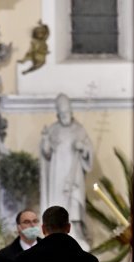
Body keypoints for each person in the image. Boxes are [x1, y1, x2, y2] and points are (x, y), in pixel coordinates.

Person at [40, 93, 94, 251]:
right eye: (62, 114)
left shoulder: (79, 130)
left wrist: (82, 147)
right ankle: (55, 233)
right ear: (58, 113)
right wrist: (45, 140)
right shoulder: (52, 130)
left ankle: (76, 233)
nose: (65, 116)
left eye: (67, 113)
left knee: (74, 204)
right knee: (58, 203)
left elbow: (88, 151)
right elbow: (46, 153)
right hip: (57, 176)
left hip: (74, 175)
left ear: (71, 112)